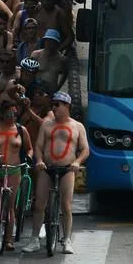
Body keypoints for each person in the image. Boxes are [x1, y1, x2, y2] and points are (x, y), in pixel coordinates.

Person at [24, 91, 89, 254]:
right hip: (47, 168)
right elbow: (38, 146)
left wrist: (77, 162)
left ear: (67, 106)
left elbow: (85, 150)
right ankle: (34, 238)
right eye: (53, 104)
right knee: (39, 204)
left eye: (57, 105)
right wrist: (39, 160)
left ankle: (67, 239)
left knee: (66, 206)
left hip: (67, 169)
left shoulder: (77, 126)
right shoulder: (47, 124)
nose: (54, 107)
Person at [0, 98, 33, 251]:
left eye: (14, 113)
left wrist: (29, 157)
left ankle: (8, 239)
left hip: (13, 170)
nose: (11, 116)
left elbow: (29, 148)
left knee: (10, 207)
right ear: (2, 113)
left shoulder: (21, 130)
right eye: (8, 113)